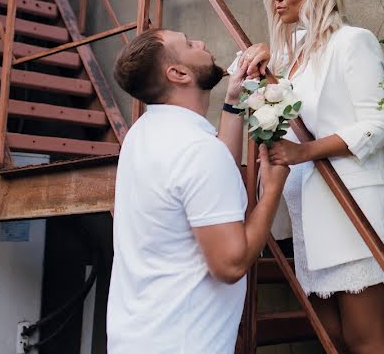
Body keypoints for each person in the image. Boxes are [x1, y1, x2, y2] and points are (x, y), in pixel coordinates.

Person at [237, 0, 384, 353]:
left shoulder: (353, 42)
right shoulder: (289, 59)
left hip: (348, 213)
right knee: (335, 338)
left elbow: (378, 125)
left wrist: (304, 154)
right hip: (305, 217)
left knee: (365, 338)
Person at [107, 28, 286, 354]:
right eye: (189, 43)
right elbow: (230, 265)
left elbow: (210, 183)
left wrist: (233, 102)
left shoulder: (142, 134)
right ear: (177, 73)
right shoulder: (197, 151)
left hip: (135, 338)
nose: (201, 42)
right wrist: (272, 191)